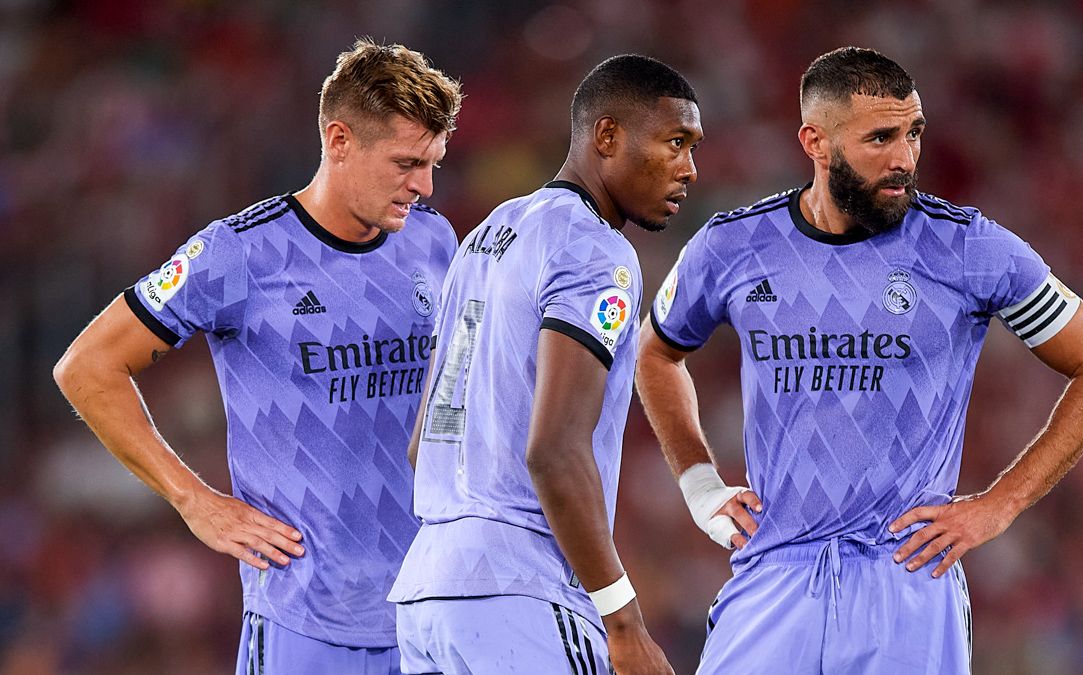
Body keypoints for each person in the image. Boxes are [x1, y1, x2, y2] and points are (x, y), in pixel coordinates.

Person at [637, 46, 1083, 674]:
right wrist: (698, 482)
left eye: (913, 133)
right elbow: (656, 352)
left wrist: (998, 505)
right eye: (881, 138)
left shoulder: (967, 247)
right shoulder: (733, 246)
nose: (905, 157)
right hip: (775, 575)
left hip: (907, 577)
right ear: (815, 141)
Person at [52, 38, 462, 673]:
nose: (424, 184)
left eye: (433, 161)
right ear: (339, 139)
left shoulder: (433, 239)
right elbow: (86, 368)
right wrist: (195, 500)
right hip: (305, 624)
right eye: (407, 161)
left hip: (428, 615)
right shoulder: (239, 253)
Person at [388, 54, 701, 675]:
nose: (689, 168)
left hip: (426, 592)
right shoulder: (596, 252)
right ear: (606, 136)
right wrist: (625, 622)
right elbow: (554, 450)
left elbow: (425, 443)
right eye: (675, 143)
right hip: (519, 593)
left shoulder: (485, 235)